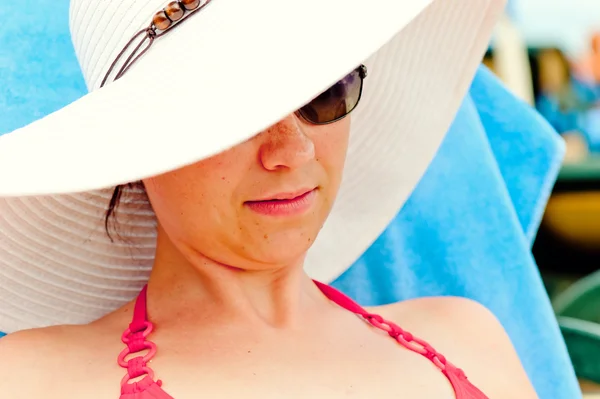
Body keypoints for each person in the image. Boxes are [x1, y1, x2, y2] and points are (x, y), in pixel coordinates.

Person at [0, 0, 538, 398]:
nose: (294, 149)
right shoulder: (32, 378)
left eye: (325, 92)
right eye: (235, 117)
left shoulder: (468, 335)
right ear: (137, 152)